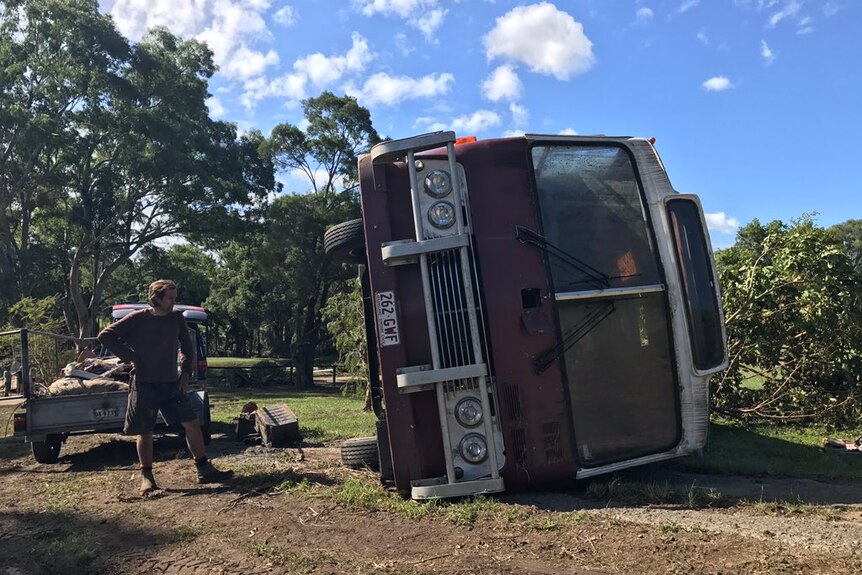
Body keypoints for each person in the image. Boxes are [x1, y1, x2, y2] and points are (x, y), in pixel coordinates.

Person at [98, 279, 232, 495]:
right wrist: (132, 358)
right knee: (145, 431)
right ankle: (147, 477)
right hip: (144, 384)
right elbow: (106, 335)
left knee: (192, 423)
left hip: (171, 383)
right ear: (157, 298)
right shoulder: (138, 319)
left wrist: (186, 372)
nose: (174, 301)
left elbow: (187, 346)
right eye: (170, 298)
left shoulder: (176, 318)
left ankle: (203, 468)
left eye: (175, 297)